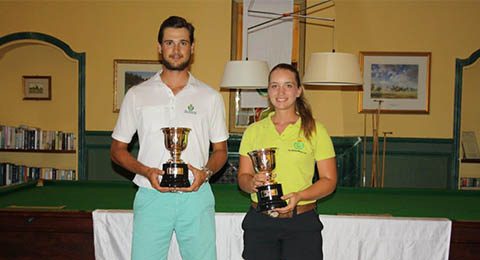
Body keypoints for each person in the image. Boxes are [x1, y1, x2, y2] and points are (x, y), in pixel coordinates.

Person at [110, 16, 228, 260]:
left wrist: (205, 173)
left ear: (192, 48)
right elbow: (117, 150)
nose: (176, 50)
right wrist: (146, 171)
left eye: (183, 43)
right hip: (151, 196)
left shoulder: (210, 97)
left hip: (197, 197)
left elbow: (221, 151)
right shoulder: (137, 95)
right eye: (170, 43)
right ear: (159, 47)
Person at [237, 63, 337, 260]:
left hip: (302, 223)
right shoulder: (253, 131)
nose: (281, 92)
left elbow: (329, 180)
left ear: (298, 90)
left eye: (288, 85)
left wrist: (299, 196)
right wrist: (252, 183)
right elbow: (243, 178)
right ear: (268, 91)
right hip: (260, 223)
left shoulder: (316, 130)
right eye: (274, 85)